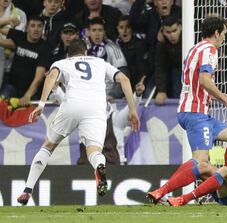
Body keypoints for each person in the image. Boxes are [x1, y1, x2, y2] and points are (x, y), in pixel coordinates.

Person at [16, 39, 140, 205]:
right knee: (94, 151)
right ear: (86, 52)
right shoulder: (99, 62)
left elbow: (52, 76)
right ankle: (99, 166)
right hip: (96, 108)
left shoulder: (62, 63)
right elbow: (124, 79)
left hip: (72, 105)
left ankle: (28, 189)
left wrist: (41, 104)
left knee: (49, 146)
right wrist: (132, 110)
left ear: (69, 54)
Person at [147, 16, 227, 204]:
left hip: (192, 110)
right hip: (195, 113)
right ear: (216, 33)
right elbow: (204, 81)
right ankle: (161, 191)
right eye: (223, 34)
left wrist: (216, 95)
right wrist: (225, 100)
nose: (224, 38)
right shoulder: (210, 50)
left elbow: (194, 84)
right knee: (201, 161)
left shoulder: (194, 49)